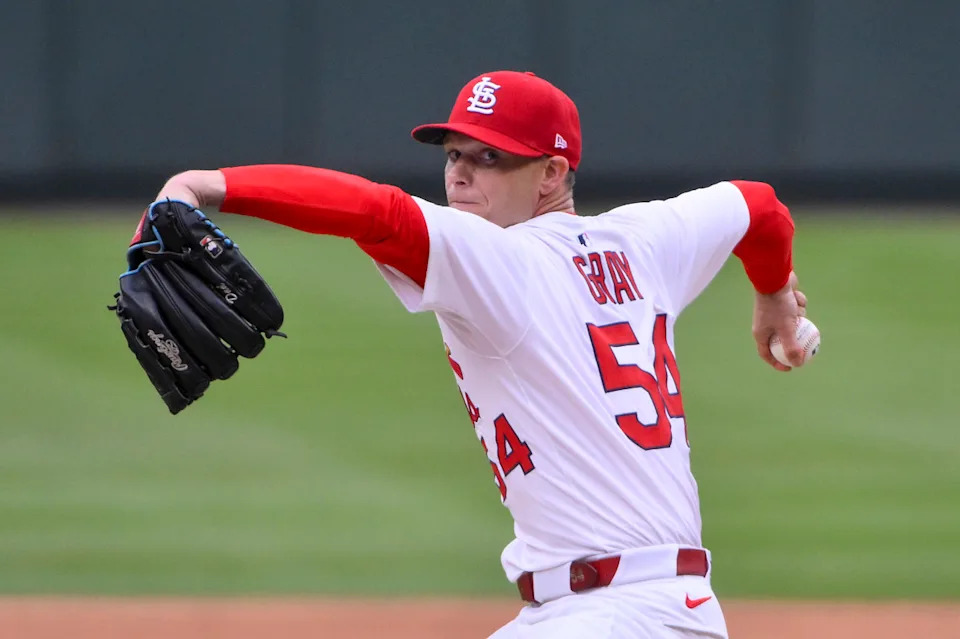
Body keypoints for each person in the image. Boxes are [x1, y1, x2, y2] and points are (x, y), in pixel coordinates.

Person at [144, 70, 806, 638]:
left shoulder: (498, 258)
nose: (460, 172)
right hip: (649, 610)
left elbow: (376, 212)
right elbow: (759, 206)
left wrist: (203, 185)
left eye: (490, 157)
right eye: (454, 152)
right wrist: (774, 292)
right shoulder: (645, 242)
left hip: (612, 617)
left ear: (551, 173)